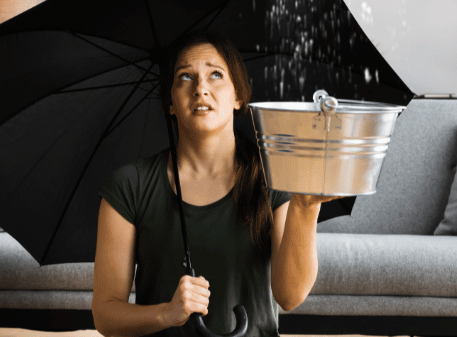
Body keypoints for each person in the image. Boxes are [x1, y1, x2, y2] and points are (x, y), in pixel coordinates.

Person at [92, 30, 339, 337]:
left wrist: (306, 206)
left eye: (216, 75)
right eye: (184, 77)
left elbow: (290, 296)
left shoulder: (274, 177)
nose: (200, 88)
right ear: (169, 102)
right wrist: (166, 314)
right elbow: (105, 314)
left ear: (239, 96)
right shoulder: (129, 185)